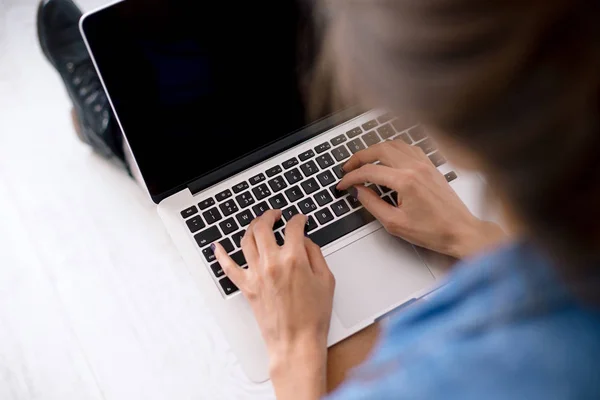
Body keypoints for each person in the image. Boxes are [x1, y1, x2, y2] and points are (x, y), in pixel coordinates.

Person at [39, 0, 600, 399]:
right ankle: (119, 127)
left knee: (339, 347)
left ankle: (113, 129)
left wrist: (295, 349)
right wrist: (471, 237)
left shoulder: (442, 370)